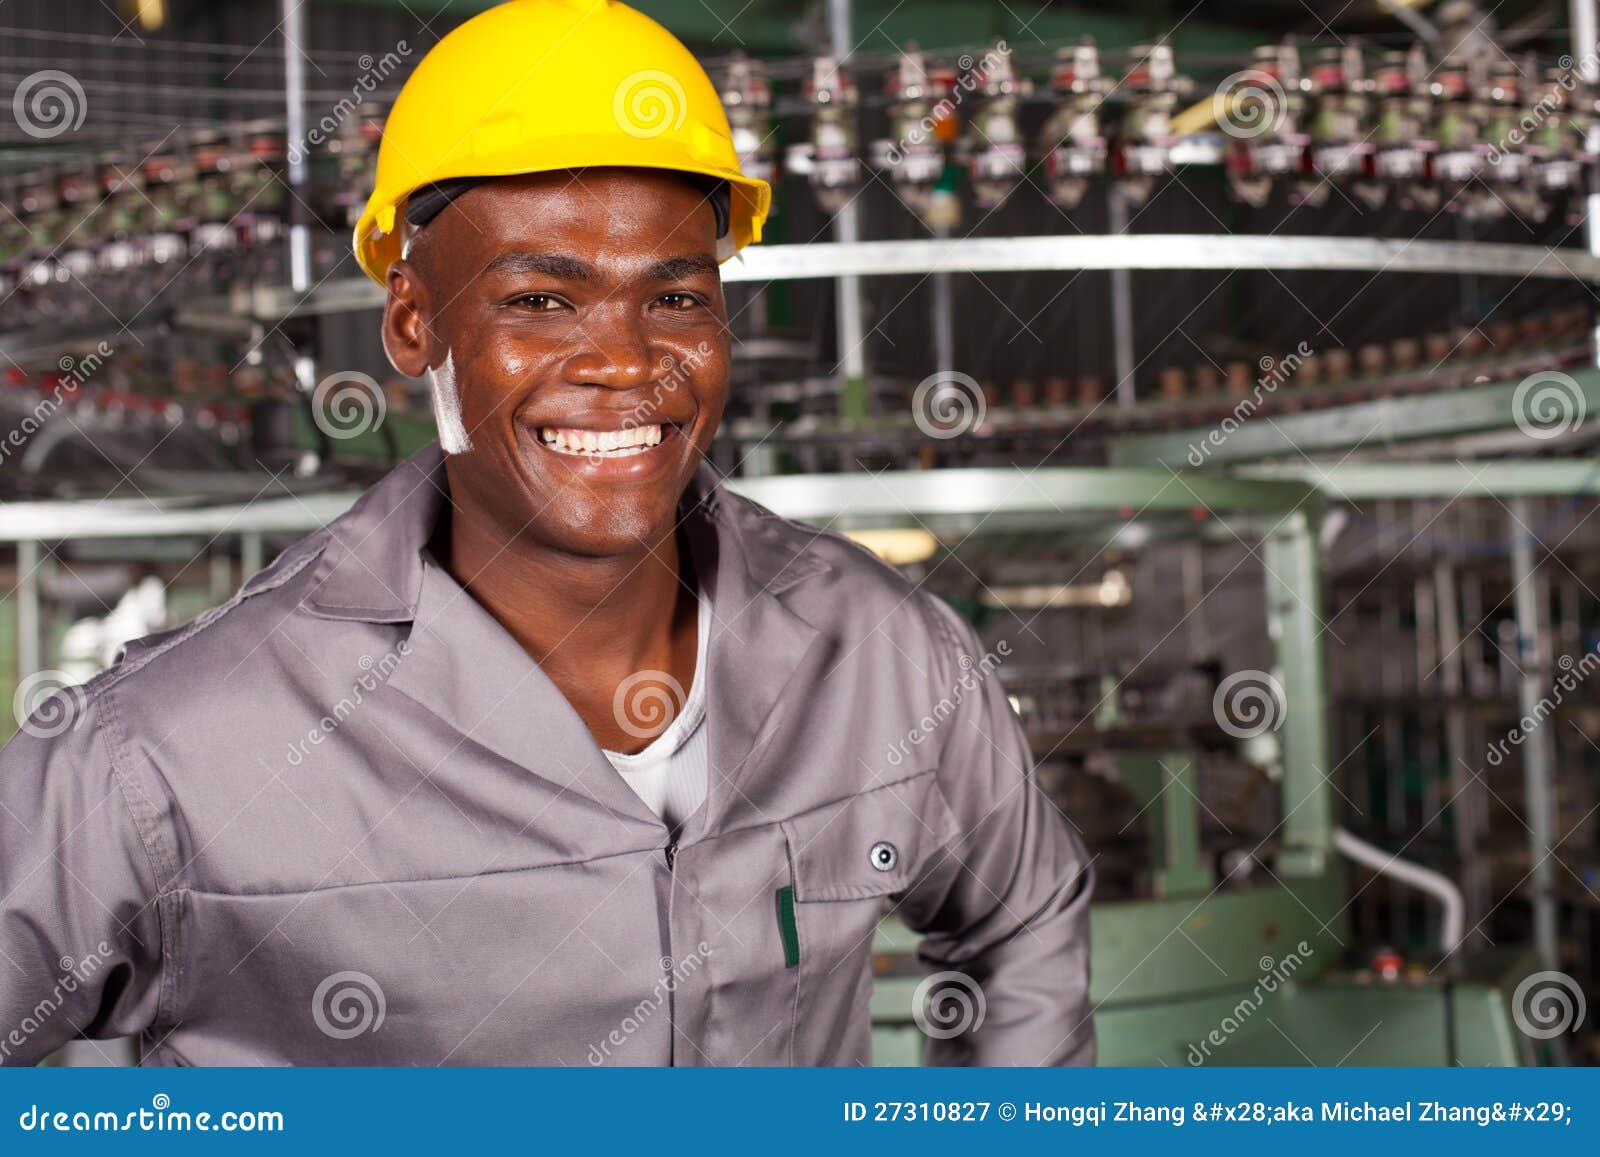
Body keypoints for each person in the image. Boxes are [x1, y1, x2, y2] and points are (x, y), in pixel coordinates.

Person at [0, 0, 1093, 1066]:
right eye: (540, 301)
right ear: (413, 321)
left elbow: (1022, 918)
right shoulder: (164, 753)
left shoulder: (883, 655)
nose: (624, 363)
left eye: (675, 299)